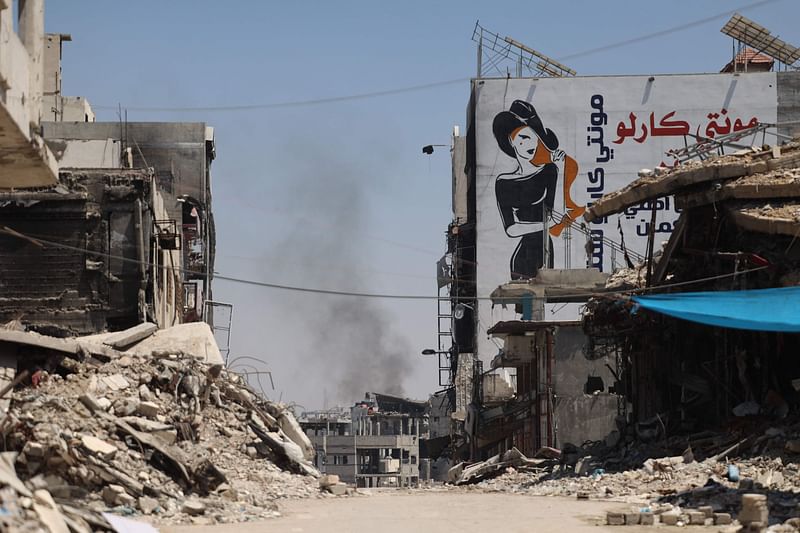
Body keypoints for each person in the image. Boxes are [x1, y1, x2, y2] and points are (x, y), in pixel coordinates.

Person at [492, 100, 584, 279]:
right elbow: (511, 228)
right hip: (522, 255)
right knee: (523, 301)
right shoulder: (503, 182)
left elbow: (555, 214)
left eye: (533, 138)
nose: (530, 144)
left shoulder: (549, 171)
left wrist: (561, 169)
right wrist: (543, 225)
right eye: (523, 138)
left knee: (539, 298)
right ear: (511, 141)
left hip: (544, 249)